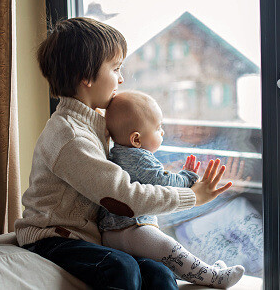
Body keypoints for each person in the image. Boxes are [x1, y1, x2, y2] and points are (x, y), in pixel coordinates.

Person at [14, 17, 232, 290]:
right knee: (120, 267)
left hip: (85, 238)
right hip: (52, 238)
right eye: (115, 68)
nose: (121, 78)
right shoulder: (69, 136)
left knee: (160, 273)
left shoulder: (96, 125)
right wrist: (192, 196)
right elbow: (123, 198)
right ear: (86, 76)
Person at [99, 91, 245, 289]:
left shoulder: (124, 154)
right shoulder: (137, 158)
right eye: (158, 129)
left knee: (166, 256)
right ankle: (213, 277)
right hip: (127, 229)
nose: (163, 133)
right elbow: (161, 180)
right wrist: (188, 179)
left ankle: (204, 272)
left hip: (121, 229)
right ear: (136, 139)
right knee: (169, 249)